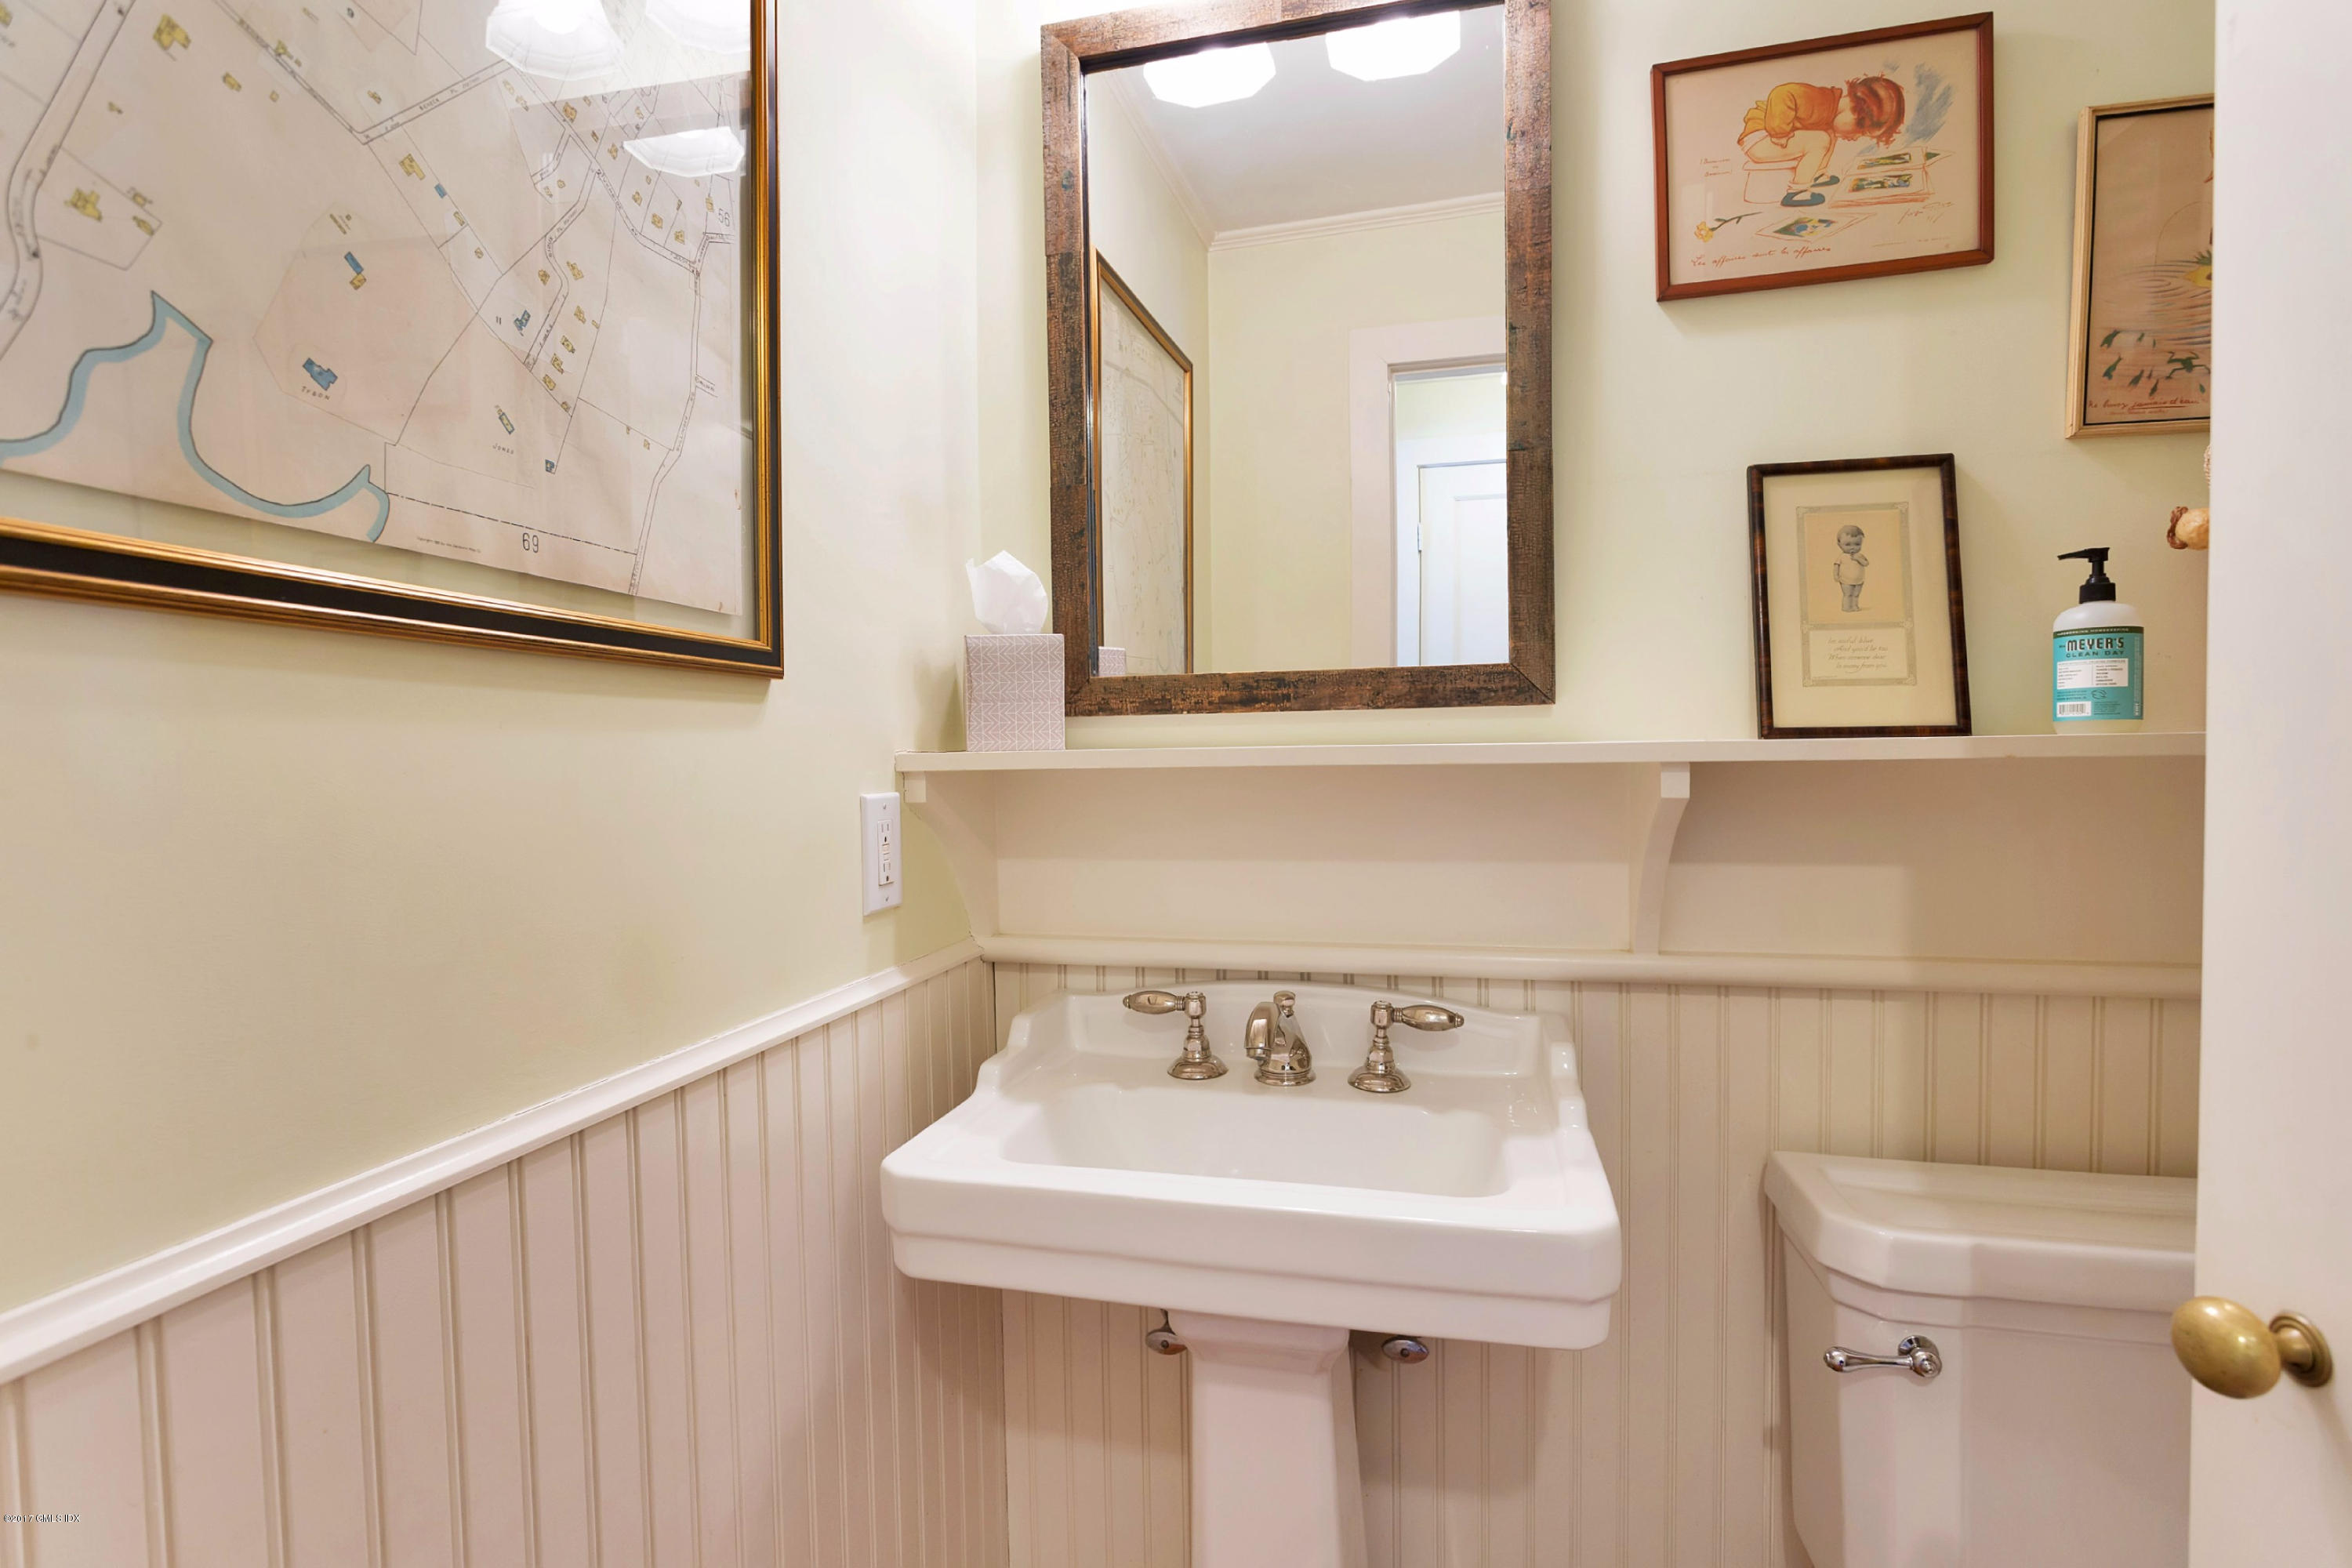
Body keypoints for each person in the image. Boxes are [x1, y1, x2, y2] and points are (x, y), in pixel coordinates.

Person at [1739, 76, 1907, 207]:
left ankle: (1817, 175)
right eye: (1860, 130)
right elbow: (1781, 93)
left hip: (1772, 136)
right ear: (1856, 110)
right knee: (1822, 139)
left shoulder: (1830, 113)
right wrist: (1779, 132)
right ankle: (1797, 192)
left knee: (1829, 135)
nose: (1855, 137)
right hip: (1760, 137)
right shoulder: (1819, 100)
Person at [1833, 523, 1869, 612]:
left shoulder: (1860, 555)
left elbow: (1866, 563)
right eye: (1848, 545)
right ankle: (1846, 607)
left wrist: (1859, 559)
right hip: (1846, 580)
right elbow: (1836, 565)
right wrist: (1836, 575)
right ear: (1839, 544)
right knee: (1848, 594)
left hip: (1859, 580)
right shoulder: (1842, 556)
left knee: (1856, 594)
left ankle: (1854, 606)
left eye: (1857, 544)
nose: (1852, 547)